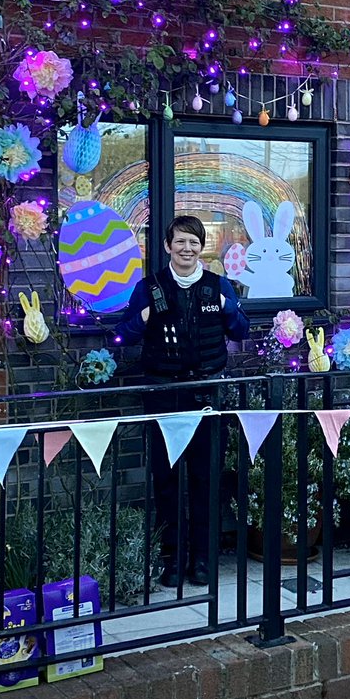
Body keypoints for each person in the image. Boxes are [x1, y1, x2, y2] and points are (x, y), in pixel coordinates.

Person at [115, 215, 249, 587]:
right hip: (164, 396)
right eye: (180, 241)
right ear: (167, 246)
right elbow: (121, 335)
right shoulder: (148, 288)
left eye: (194, 242)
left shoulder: (218, 285)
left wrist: (227, 306)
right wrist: (144, 316)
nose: (187, 249)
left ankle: (203, 559)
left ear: (201, 247)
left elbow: (241, 330)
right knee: (167, 479)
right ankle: (173, 559)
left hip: (207, 396)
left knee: (206, 479)